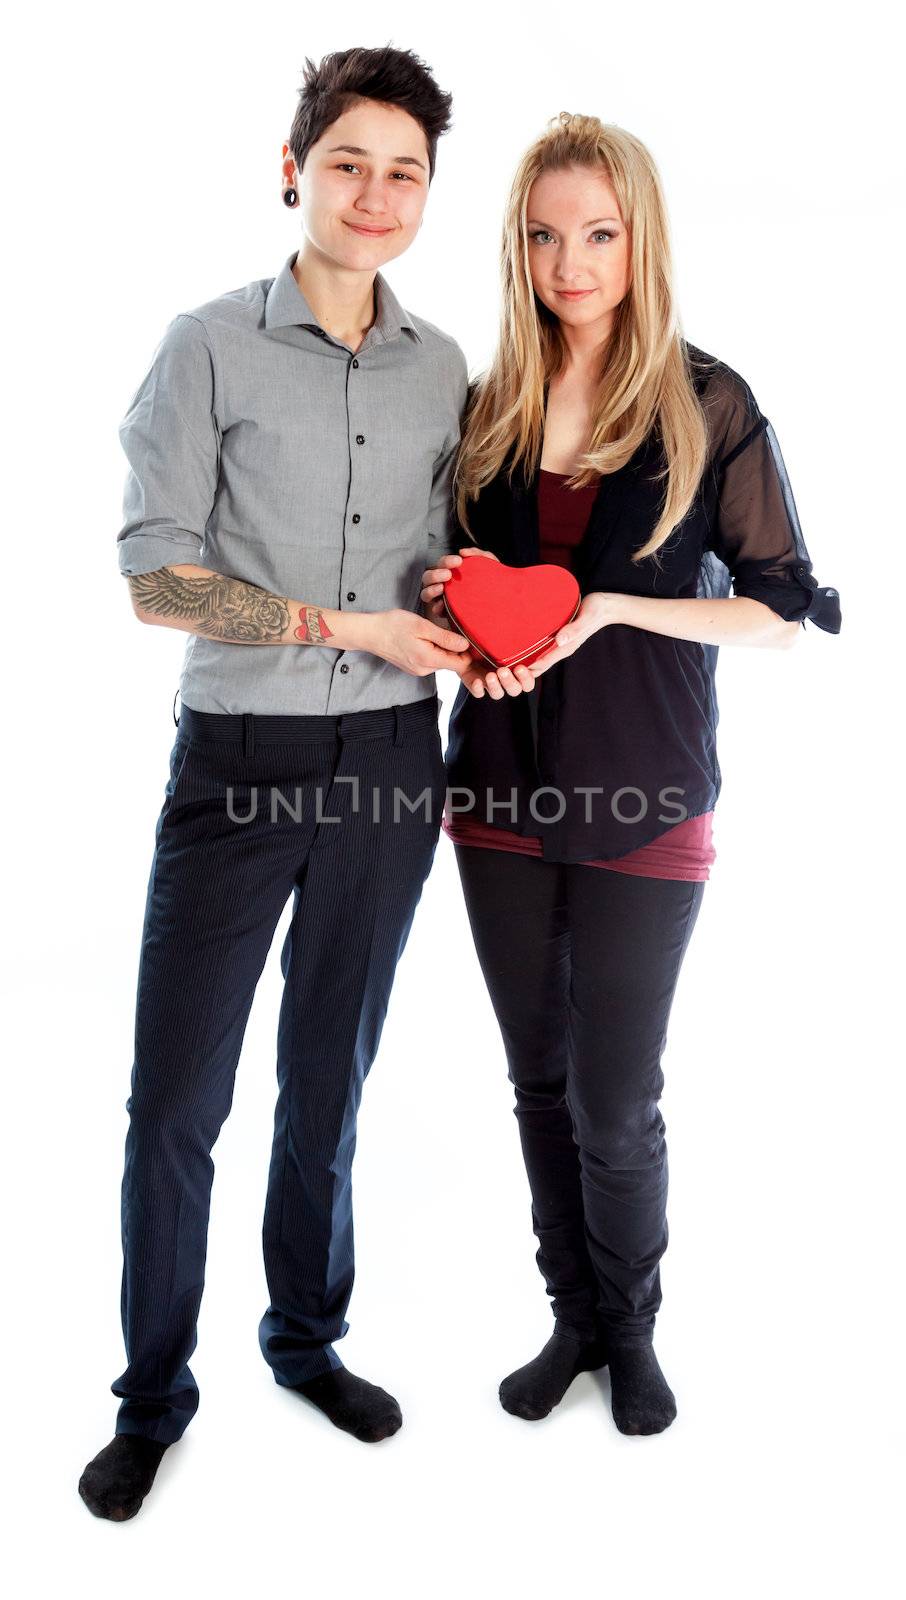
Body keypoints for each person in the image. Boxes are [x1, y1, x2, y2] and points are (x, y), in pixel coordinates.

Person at [79, 45, 476, 1521]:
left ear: (428, 194)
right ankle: (151, 1398)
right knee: (172, 1105)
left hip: (388, 762)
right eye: (350, 162)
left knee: (329, 1084)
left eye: (405, 170)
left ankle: (306, 1341)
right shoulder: (205, 346)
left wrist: (448, 593)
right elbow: (152, 579)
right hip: (236, 768)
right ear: (293, 169)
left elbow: (438, 555)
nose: (375, 194)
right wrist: (335, 624)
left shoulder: (443, 367)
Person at [420, 113, 841, 1437]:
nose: (569, 261)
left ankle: (635, 1325)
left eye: (596, 232)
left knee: (616, 1097)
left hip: (644, 799)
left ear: (639, 235)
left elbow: (781, 612)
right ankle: (571, 1322)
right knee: (537, 1083)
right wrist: (461, 636)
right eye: (543, 235)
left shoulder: (706, 402)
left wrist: (609, 610)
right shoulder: (489, 405)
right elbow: (466, 601)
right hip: (493, 798)